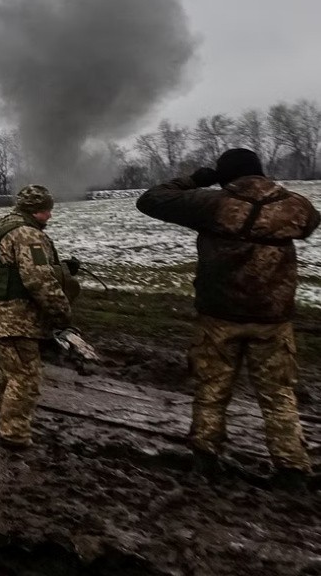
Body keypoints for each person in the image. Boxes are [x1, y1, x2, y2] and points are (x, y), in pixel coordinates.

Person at [136, 148, 320, 490]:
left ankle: (205, 460)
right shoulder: (295, 205)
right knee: (278, 394)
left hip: (218, 316)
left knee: (211, 389)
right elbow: (310, 222)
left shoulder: (212, 204)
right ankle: (292, 468)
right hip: (272, 319)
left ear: (224, 176)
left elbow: (151, 199)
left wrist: (194, 180)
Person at [0, 184, 80, 449]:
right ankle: (13, 435)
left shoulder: (1, 226)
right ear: (35, 210)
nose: (50, 215)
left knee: (8, 371)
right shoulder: (27, 235)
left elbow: (10, 267)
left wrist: (61, 267)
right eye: (46, 210)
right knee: (25, 377)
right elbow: (39, 280)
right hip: (15, 320)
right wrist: (62, 315)